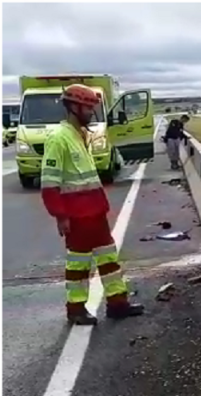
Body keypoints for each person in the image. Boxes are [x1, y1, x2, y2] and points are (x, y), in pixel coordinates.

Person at [41, 84, 144, 326]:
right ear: (74, 107)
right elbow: (49, 183)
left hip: (95, 212)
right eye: (87, 108)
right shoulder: (59, 138)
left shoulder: (80, 135)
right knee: (78, 265)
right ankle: (76, 309)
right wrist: (60, 216)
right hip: (77, 216)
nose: (91, 112)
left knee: (109, 260)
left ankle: (117, 303)